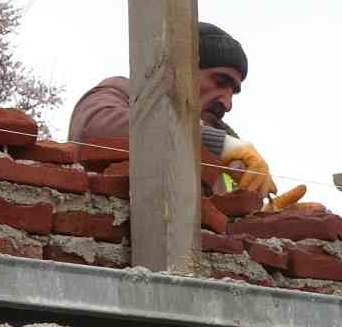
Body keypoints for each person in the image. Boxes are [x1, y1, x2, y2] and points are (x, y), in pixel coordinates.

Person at [68, 22, 278, 197]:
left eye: (233, 92)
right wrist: (219, 143)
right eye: (220, 81)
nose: (227, 103)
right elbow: (93, 127)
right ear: (181, 70)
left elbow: (233, 212)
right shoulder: (125, 92)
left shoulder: (231, 149)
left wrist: (269, 214)